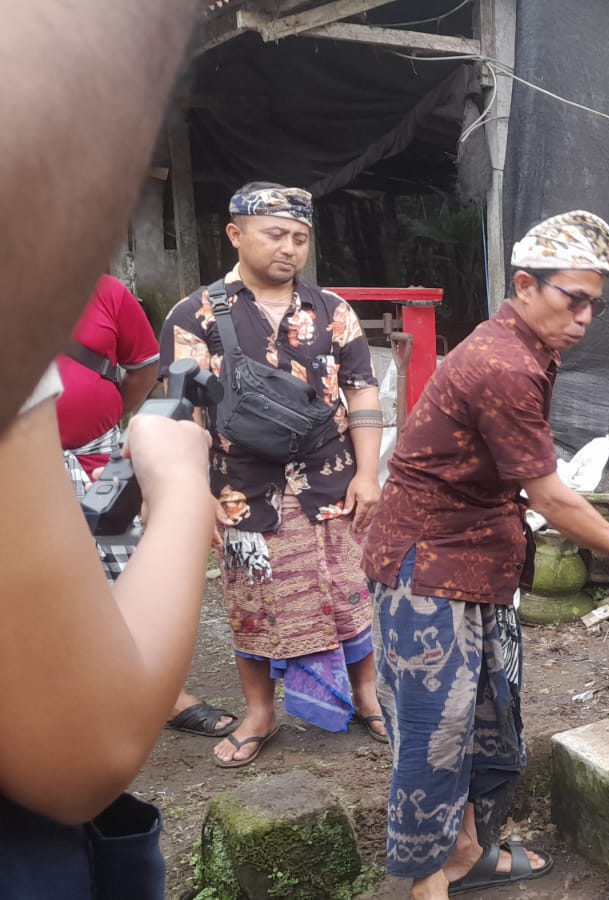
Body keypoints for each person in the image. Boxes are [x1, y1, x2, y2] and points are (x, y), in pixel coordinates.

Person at [362, 211, 609, 899]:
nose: (585, 317)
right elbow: (551, 497)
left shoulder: (529, 348)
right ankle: (424, 884)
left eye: (595, 304)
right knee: (434, 729)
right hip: (427, 563)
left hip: (476, 556)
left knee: (481, 715)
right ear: (526, 285)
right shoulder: (501, 363)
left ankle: (466, 852)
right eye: (574, 299)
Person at [0, 2, 212, 896]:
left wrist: (121, 435)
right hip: (72, 470)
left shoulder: (113, 297)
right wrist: (183, 486)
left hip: (90, 458)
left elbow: (138, 370)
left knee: (108, 576)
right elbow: (85, 750)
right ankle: (154, 677)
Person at [160, 183, 388, 769]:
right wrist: (198, 493)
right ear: (235, 234)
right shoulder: (195, 315)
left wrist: (368, 473)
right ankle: (260, 712)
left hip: (331, 481)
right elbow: (183, 413)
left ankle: (365, 694)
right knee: (252, 602)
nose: (289, 248)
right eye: (276, 235)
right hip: (241, 489)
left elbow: (362, 390)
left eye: (300, 238)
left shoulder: (332, 310)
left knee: (348, 592)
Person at [59, 275, 240, 740]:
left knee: (132, 565)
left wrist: (105, 414)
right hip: (18, 462)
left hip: (100, 453)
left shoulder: (104, 290)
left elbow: (141, 369)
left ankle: (163, 692)